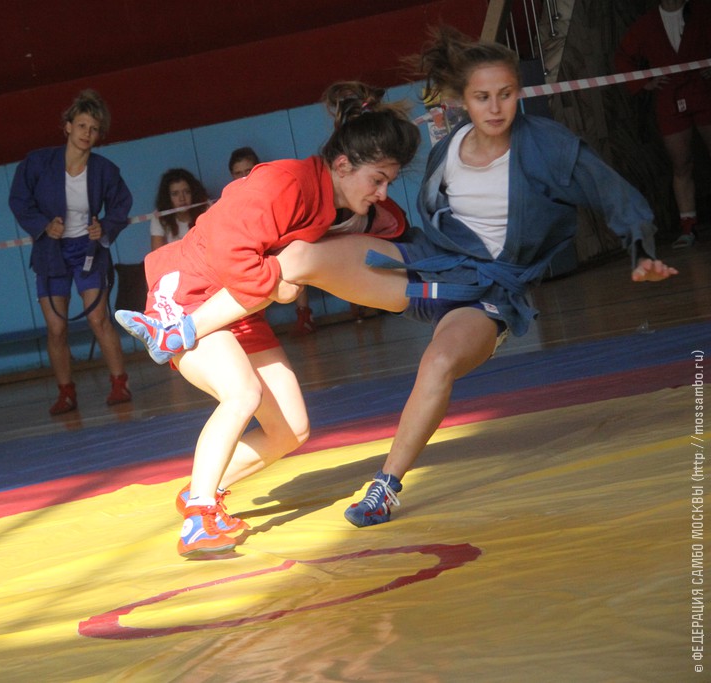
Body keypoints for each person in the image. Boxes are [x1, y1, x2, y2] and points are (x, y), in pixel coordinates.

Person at [119, 27, 678, 531]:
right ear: (463, 101)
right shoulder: (432, 153)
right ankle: (182, 360)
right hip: (372, 272)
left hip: (476, 292)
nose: (495, 107)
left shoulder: (544, 145)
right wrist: (288, 278)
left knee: (361, 395)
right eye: (483, 97)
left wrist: (641, 245)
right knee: (288, 286)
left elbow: (603, 187)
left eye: (506, 95)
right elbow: (376, 229)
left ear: (519, 94)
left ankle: (370, 484)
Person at [116, 82, 421, 557]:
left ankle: (202, 487)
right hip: (192, 291)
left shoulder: (332, 198)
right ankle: (199, 519)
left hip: (238, 301)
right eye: (378, 180)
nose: (382, 193)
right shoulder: (286, 183)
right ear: (343, 165)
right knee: (242, 394)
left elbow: (392, 223)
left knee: (290, 428)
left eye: (389, 183)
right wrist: (278, 284)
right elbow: (228, 251)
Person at [9, 89, 134, 415]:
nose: (86, 134)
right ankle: (66, 392)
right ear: (67, 126)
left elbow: (121, 205)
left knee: (98, 318)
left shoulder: (105, 170)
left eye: (94, 129)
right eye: (81, 126)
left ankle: (120, 383)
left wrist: (104, 228)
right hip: (51, 251)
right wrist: (42, 225)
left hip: (88, 250)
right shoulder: (38, 163)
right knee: (56, 327)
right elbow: (19, 199)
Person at [615, 0, 711, 249]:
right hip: (670, 99)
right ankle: (688, 226)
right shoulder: (646, 24)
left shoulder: (702, 11)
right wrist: (644, 82)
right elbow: (622, 57)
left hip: (704, 92)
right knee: (681, 165)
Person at [150, 168, 210, 251]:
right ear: (167, 197)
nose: (182, 198)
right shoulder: (159, 216)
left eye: (187, 192)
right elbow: (156, 253)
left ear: (194, 193)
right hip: (174, 259)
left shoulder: (206, 208)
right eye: (175, 194)